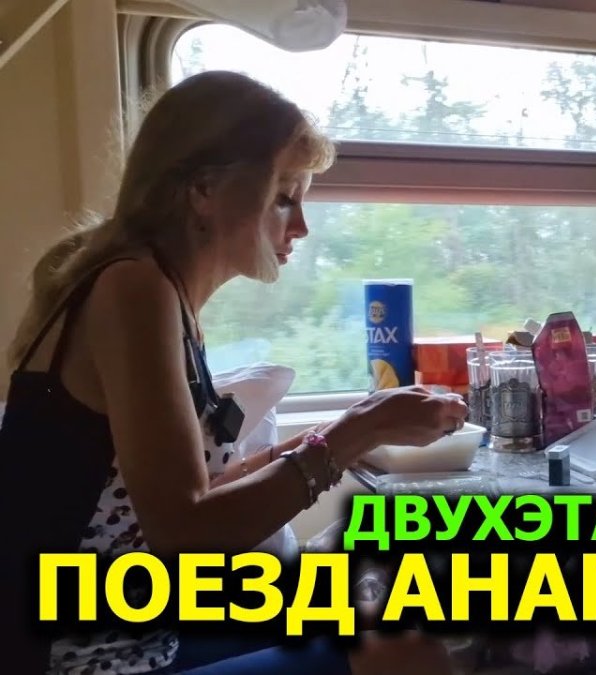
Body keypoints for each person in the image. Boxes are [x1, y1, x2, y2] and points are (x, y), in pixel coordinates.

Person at [0, 71, 467, 674]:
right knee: (406, 653)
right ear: (203, 189)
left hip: (139, 624)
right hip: (83, 659)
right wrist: (359, 432)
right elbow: (183, 532)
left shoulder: (164, 294)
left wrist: (355, 425)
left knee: (384, 600)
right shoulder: (133, 289)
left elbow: (196, 492)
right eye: (284, 197)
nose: (300, 226)